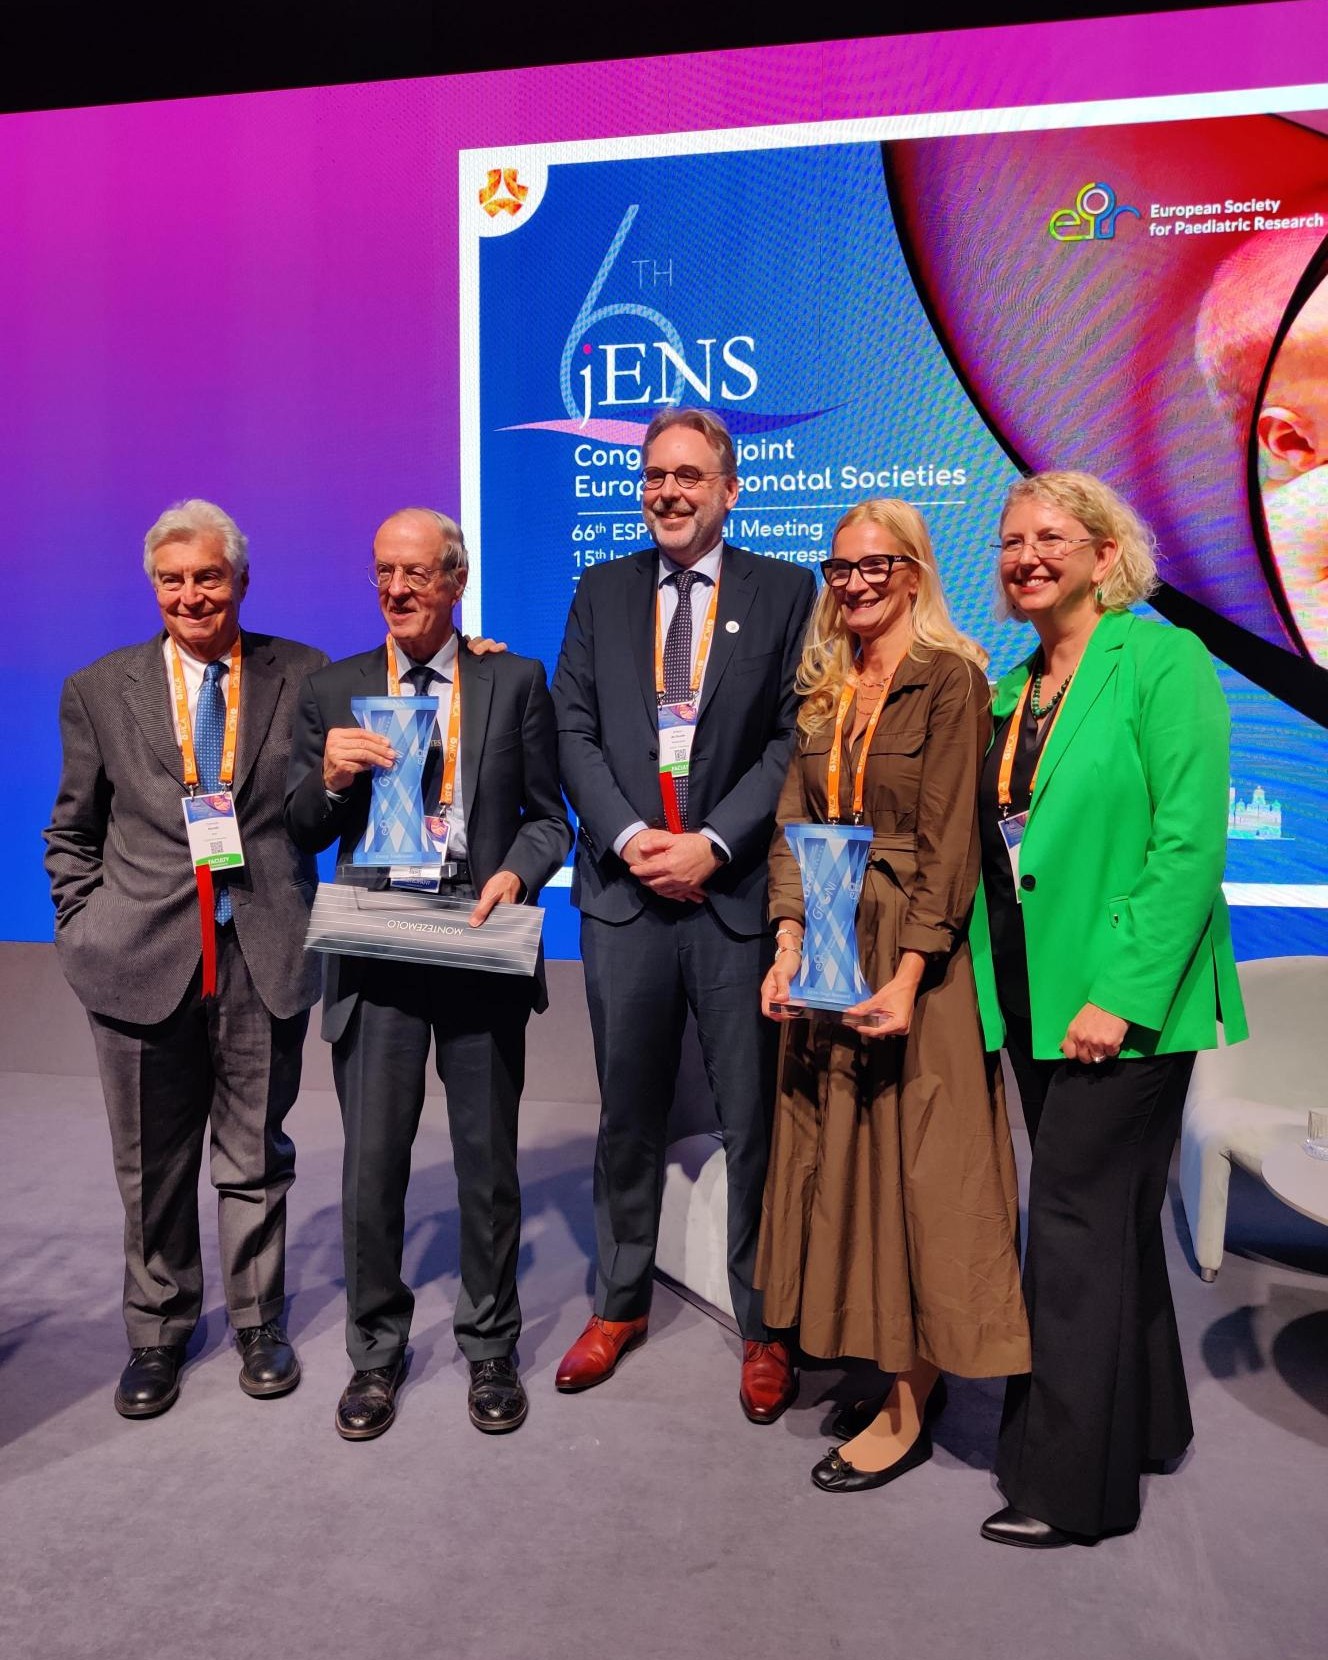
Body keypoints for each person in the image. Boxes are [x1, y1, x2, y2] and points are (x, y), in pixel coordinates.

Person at [970, 470, 1248, 1547]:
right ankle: (1148, 1423)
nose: (1025, 555)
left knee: (1075, 1229)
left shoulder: (1159, 659)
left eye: (1048, 536)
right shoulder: (1012, 689)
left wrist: (1115, 999)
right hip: (1036, 1005)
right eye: (1008, 540)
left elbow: (1186, 845)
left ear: (1100, 551)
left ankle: (1066, 1487)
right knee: (1116, 1220)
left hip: (1117, 1006)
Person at [757, 499, 1030, 1491]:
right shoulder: (824, 687)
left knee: (917, 1172)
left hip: (920, 959)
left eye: (875, 564)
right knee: (847, 1164)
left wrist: (911, 975)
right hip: (829, 938)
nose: (855, 581)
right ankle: (876, 1356)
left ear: (912, 571)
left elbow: (952, 845)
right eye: (840, 567)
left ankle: (913, 1398)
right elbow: (794, 821)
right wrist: (786, 939)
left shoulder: (950, 678)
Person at [551, 407, 816, 1420]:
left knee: (753, 1121)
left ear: (728, 488)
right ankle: (617, 1301)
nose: (668, 491)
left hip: (732, 899)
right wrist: (628, 840)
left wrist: (710, 844)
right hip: (625, 898)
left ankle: (764, 1322)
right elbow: (571, 728)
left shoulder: (782, 592)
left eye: (690, 476)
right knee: (625, 1112)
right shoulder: (600, 590)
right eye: (655, 475)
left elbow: (791, 737)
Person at [284, 508, 570, 1440]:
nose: (396, 590)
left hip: (478, 945)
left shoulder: (511, 678)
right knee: (373, 1168)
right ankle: (376, 1354)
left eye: (415, 574)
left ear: (455, 580)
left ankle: (490, 1345)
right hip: (377, 950)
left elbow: (547, 818)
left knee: (487, 1165)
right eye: (382, 573)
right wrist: (326, 778)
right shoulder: (336, 688)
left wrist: (516, 871)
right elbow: (299, 827)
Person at [43, 499, 327, 1418]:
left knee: (255, 1155)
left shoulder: (305, 674)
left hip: (264, 950)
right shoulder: (99, 687)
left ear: (241, 580)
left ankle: (257, 1323)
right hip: (137, 957)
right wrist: (83, 925)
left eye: (209, 577)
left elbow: (370, 750)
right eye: (173, 579)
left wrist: (469, 656)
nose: (192, 595)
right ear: (153, 586)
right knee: (151, 1163)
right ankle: (159, 1333)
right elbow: (73, 827)